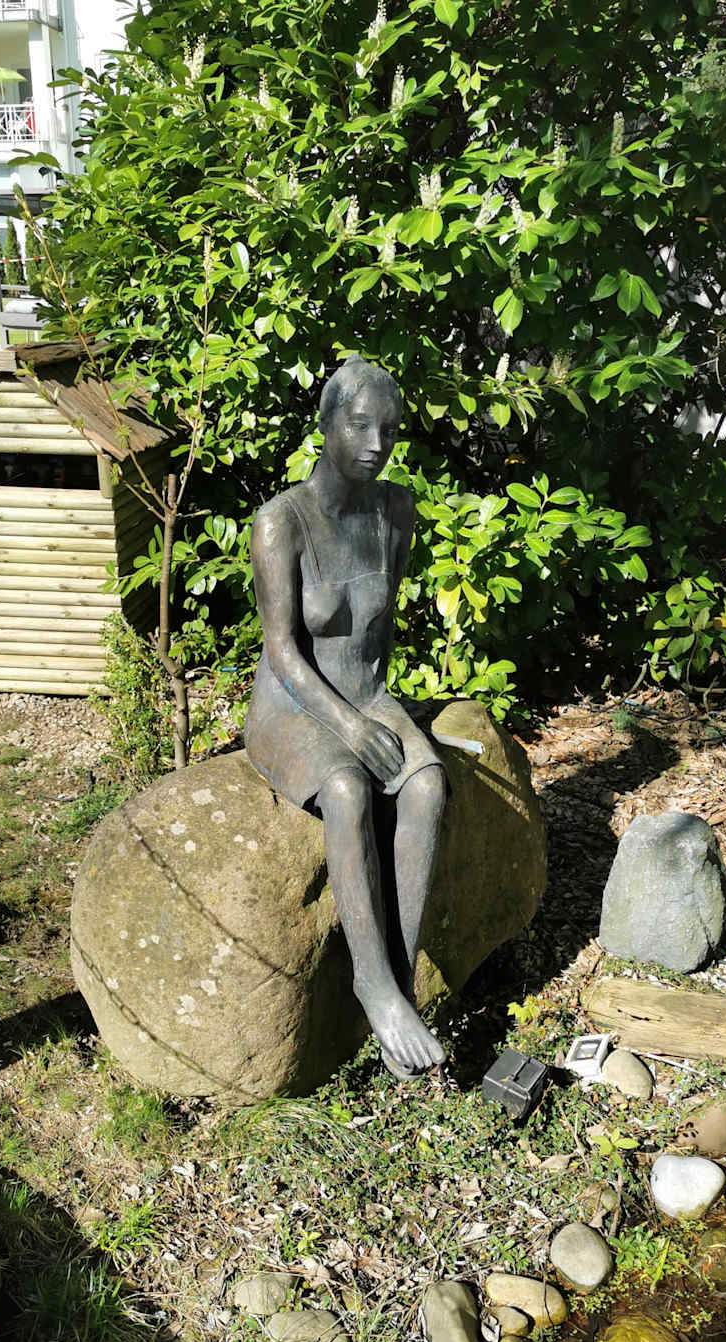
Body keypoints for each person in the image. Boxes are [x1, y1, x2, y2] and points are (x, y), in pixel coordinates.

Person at [244, 358, 447, 1079]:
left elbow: (377, 638)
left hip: (367, 693)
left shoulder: (397, 511)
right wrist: (351, 731)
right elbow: (281, 651)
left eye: (388, 429)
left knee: (427, 785)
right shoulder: (281, 522)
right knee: (347, 788)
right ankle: (372, 986)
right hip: (291, 703)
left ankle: (397, 981)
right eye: (359, 425)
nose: (375, 443)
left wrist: (384, 717)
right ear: (327, 424)